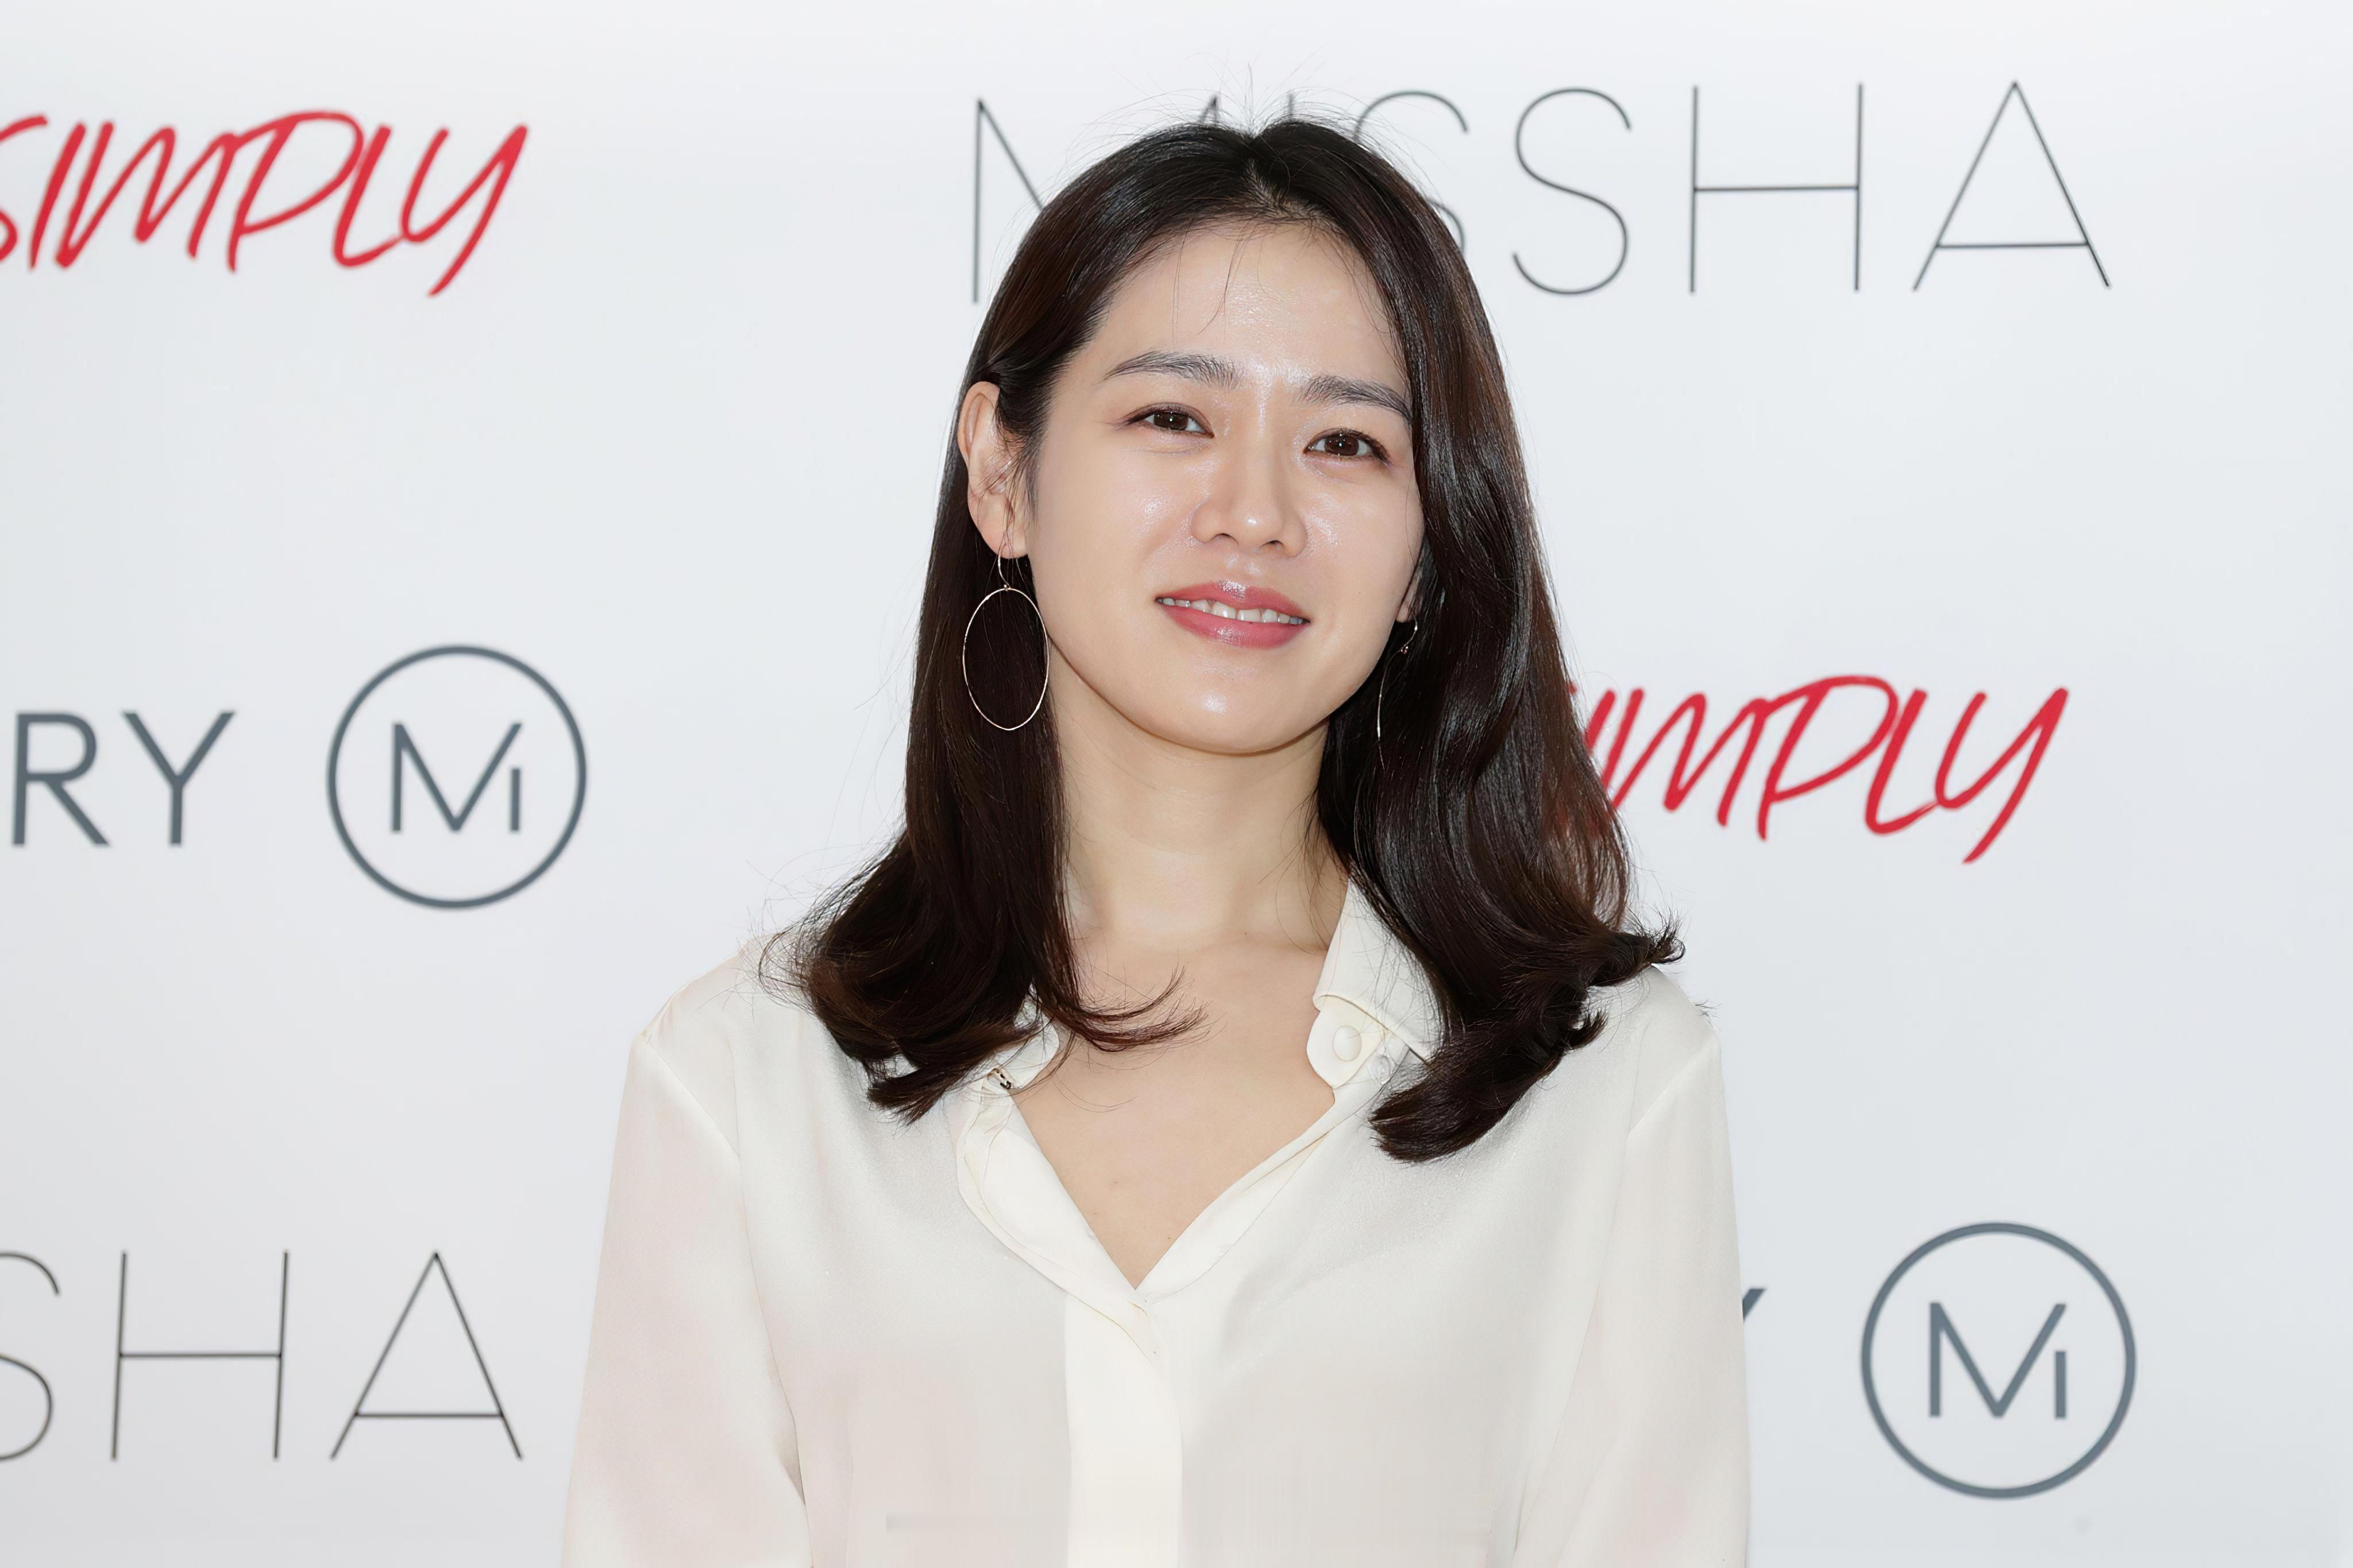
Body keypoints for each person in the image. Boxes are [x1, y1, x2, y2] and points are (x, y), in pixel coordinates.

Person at [562, 113, 1749, 1567]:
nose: (1252, 512)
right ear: (1002, 475)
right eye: (1173, 418)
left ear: (1427, 545)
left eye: (1344, 442)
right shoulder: (745, 1083)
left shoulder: (1605, 1085)